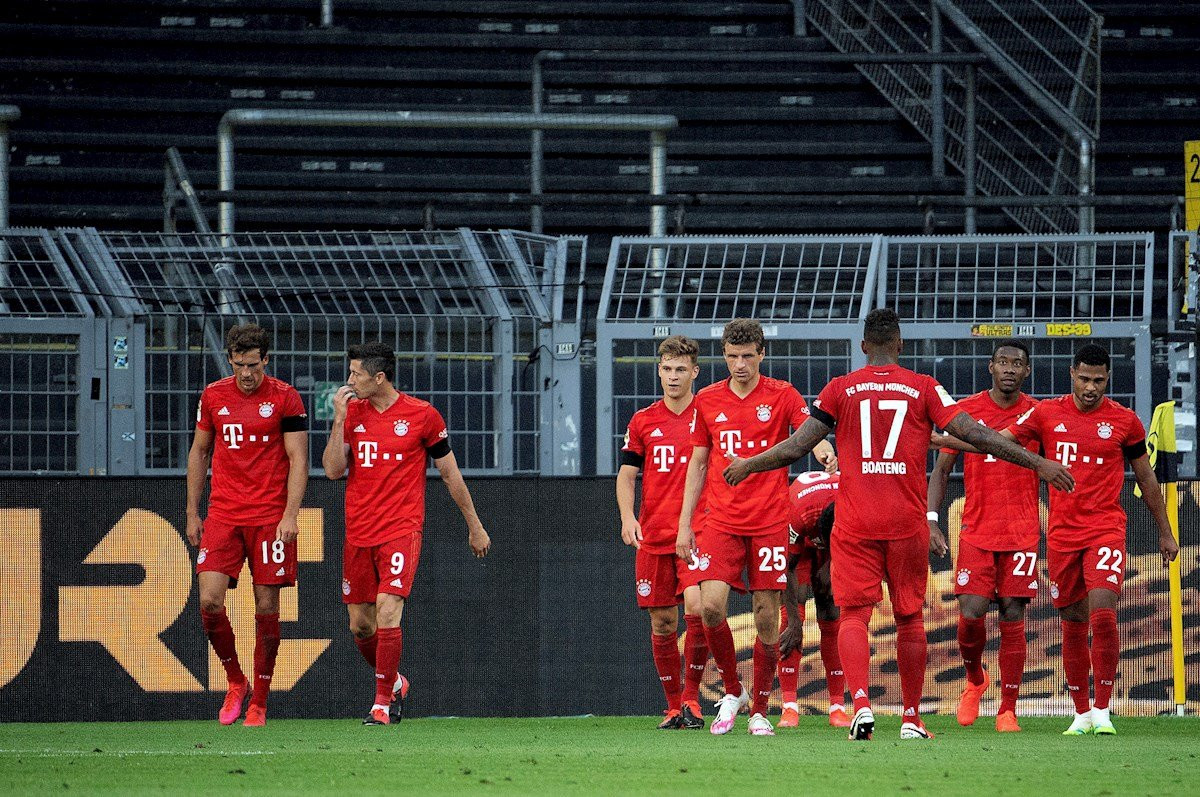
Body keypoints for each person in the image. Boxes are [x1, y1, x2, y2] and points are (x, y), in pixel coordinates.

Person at [724, 309, 1074, 742]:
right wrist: (1039, 462)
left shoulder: (840, 389)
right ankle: (911, 718)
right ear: (902, 345)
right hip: (907, 523)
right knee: (909, 619)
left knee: (853, 616)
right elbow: (979, 435)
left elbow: (797, 446)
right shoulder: (923, 387)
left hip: (855, 522)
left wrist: (748, 465)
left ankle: (862, 707)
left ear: (864, 346)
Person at [942, 343, 1179, 736]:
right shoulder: (1047, 413)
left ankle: (1102, 710)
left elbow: (1147, 479)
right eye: (1084, 379)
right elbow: (996, 441)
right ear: (1071, 374)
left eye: (1099, 380)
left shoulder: (1125, 422)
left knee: (1103, 610)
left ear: (1108, 380)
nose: (1091, 387)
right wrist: (945, 441)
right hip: (1062, 534)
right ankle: (1081, 712)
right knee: (1072, 621)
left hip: (1105, 527)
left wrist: (1165, 531)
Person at [676, 319, 837, 737]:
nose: (740, 364)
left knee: (767, 618)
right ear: (724, 355)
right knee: (709, 606)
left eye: (748, 356)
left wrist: (823, 448)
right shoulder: (708, 399)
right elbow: (697, 464)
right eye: (732, 356)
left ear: (761, 355)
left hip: (769, 521)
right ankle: (734, 690)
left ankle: (760, 708)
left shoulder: (782, 394)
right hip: (720, 520)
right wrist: (684, 525)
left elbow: (810, 432)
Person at [322, 342, 490, 726]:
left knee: (388, 610)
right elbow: (332, 470)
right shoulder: (352, 414)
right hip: (358, 532)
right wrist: (337, 420)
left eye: (356, 374)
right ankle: (394, 680)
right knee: (361, 625)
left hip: (401, 528)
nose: (349, 381)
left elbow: (450, 474)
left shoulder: (422, 415)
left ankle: (382, 703)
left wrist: (475, 525)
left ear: (378, 378)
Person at [186, 323, 309, 727]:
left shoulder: (286, 398)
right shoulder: (213, 395)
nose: (246, 374)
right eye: (238, 365)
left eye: (253, 365)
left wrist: (291, 514)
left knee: (267, 606)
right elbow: (200, 452)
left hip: (270, 518)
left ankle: (260, 698)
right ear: (231, 361)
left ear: (266, 360)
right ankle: (235, 681)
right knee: (208, 602)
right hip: (223, 514)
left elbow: (298, 459)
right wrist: (192, 511)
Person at [926, 340, 1040, 733]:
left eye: (1018, 363)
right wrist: (931, 519)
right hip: (976, 530)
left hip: (1022, 532)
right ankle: (975, 678)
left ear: (1027, 371)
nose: (1010, 368)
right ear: (990, 367)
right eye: (1003, 361)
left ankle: (1008, 709)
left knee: (1013, 614)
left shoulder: (1037, 414)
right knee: (971, 614)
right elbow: (941, 470)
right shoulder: (967, 410)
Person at [616, 335, 710, 730]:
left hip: (697, 531)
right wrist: (626, 517)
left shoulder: (707, 415)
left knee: (699, 609)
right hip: (653, 534)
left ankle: (693, 699)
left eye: (680, 369)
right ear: (659, 370)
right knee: (663, 624)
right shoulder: (643, 420)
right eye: (667, 368)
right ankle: (674, 706)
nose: (673, 377)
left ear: (695, 372)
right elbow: (626, 475)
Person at [777, 472, 848, 729]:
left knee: (831, 611)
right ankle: (789, 707)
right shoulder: (798, 511)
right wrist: (795, 623)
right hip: (800, 544)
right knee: (791, 616)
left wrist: (831, 562)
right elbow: (786, 568)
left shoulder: (854, 504)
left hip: (837, 543)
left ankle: (838, 707)